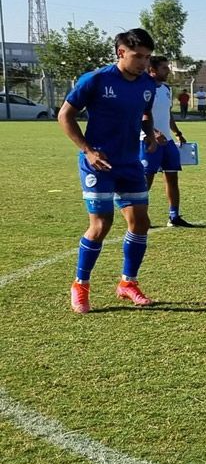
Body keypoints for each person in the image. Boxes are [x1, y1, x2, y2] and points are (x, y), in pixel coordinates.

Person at [57, 28, 159, 314]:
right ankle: (81, 285)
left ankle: (128, 283)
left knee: (140, 222)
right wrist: (88, 150)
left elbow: (145, 112)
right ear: (121, 53)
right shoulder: (96, 80)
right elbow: (64, 115)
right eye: (138, 56)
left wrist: (149, 134)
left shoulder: (147, 85)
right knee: (101, 225)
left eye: (148, 57)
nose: (143, 63)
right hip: (98, 162)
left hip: (129, 163)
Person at [141, 56, 193, 228]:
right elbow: (137, 115)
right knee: (145, 181)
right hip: (147, 140)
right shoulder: (141, 88)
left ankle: (174, 216)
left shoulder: (166, 89)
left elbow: (168, 114)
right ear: (152, 70)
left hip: (168, 142)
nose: (168, 70)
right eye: (164, 68)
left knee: (172, 178)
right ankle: (140, 217)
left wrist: (177, 133)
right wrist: (153, 133)